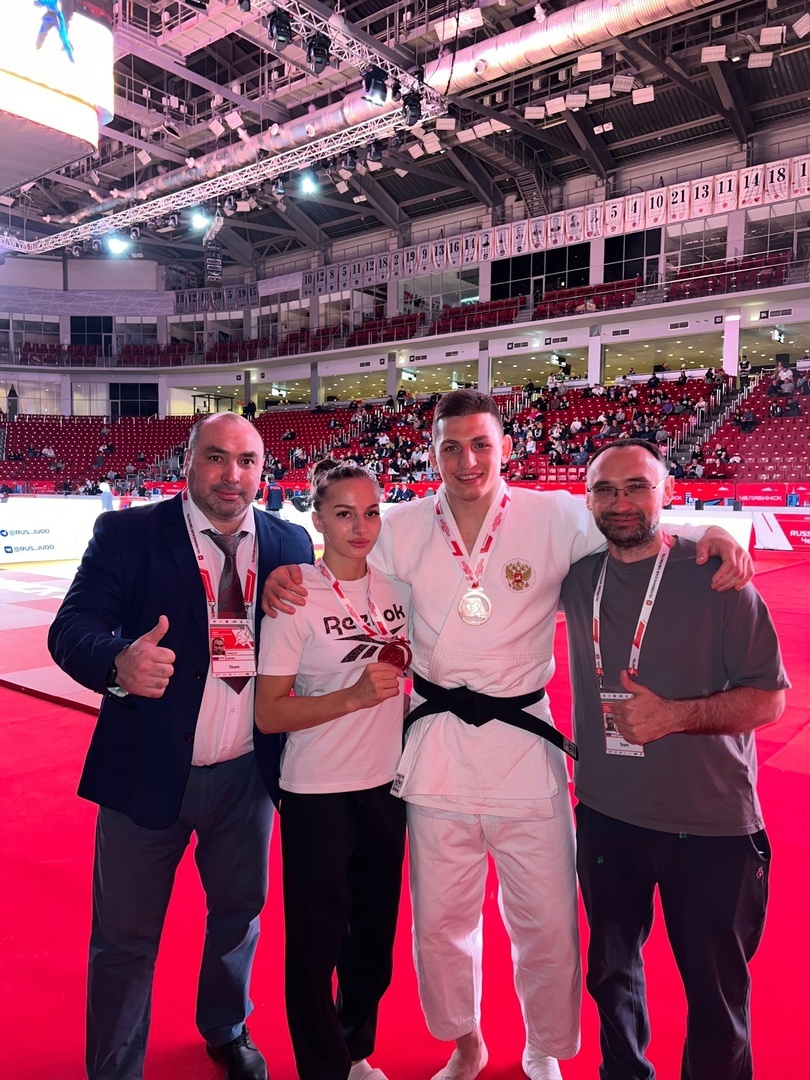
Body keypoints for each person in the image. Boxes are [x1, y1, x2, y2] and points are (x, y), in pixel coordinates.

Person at [262, 390, 751, 1080]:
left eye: (481, 445)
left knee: (545, 916)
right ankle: (466, 1042)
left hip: (525, 742)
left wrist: (712, 534)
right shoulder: (401, 525)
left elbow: (632, 527)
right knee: (440, 921)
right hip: (437, 746)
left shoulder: (553, 516)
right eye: (451, 447)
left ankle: (542, 1045)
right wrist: (290, 572)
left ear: (507, 448)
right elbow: (343, 561)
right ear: (432, 453)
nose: (467, 460)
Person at [47, 413, 313, 1080]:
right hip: (146, 770)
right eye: (217, 457)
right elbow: (71, 627)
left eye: (247, 462)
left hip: (248, 777)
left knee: (239, 914)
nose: (232, 475)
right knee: (125, 937)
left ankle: (226, 1026)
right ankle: (114, 1068)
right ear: (188, 461)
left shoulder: (289, 542)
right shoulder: (128, 534)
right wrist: (117, 662)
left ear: (263, 471)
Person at [560, 439, 787, 1080]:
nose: (621, 502)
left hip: (711, 823)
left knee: (716, 1000)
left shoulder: (718, 577)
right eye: (605, 490)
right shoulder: (577, 577)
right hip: (607, 816)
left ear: (667, 492)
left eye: (637, 486)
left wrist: (674, 716)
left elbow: (769, 700)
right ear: (588, 501)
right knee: (611, 975)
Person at [255, 461, 410, 1080]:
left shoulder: (398, 592)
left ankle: (354, 1051)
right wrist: (352, 697)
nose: (360, 526)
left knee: (372, 938)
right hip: (317, 792)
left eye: (371, 512)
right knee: (315, 943)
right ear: (317, 519)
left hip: (387, 788)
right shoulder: (294, 597)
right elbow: (269, 712)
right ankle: (321, 1068)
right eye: (344, 513)